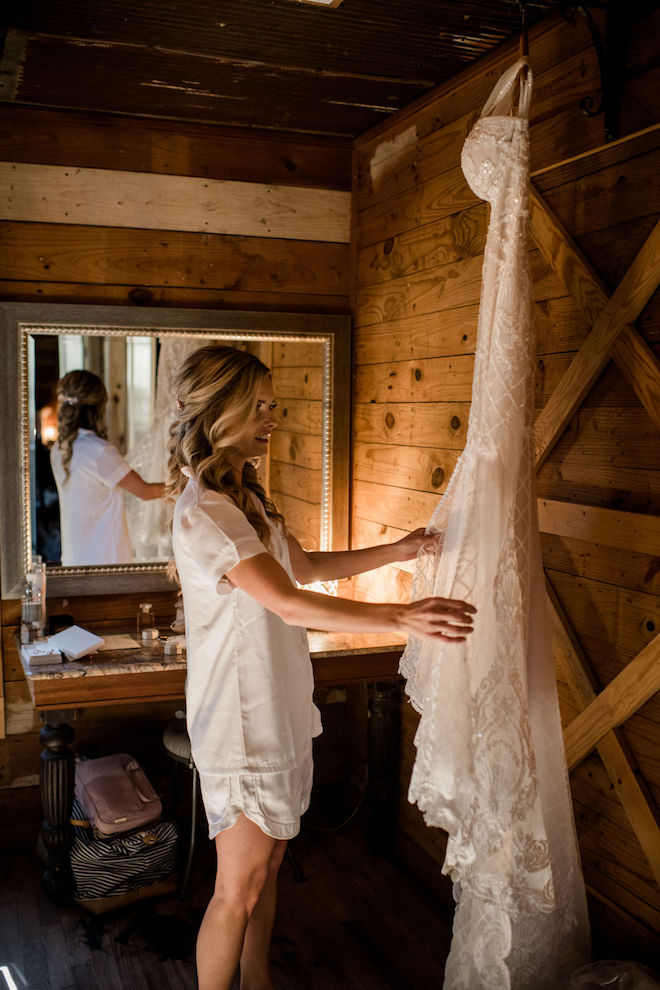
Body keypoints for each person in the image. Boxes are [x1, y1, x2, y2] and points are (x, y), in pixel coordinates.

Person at [167, 344, 476, 990]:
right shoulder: (207, 514)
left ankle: (258, 984)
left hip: (274, 711)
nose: (272, 417)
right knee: (236, 891)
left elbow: (305, 572)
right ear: (219, 411)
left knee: (267, 872)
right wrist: (399, 619)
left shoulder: (248, 499)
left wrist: (396, 548)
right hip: (241, 725)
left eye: (272, 405)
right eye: (259, 406)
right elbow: (283, 601)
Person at [51, 369, 165, 566]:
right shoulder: (98, 451)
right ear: (98, 407)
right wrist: (183, 485)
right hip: (105, 559)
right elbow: (145, 492)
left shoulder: (59, 448)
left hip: (73, 558)